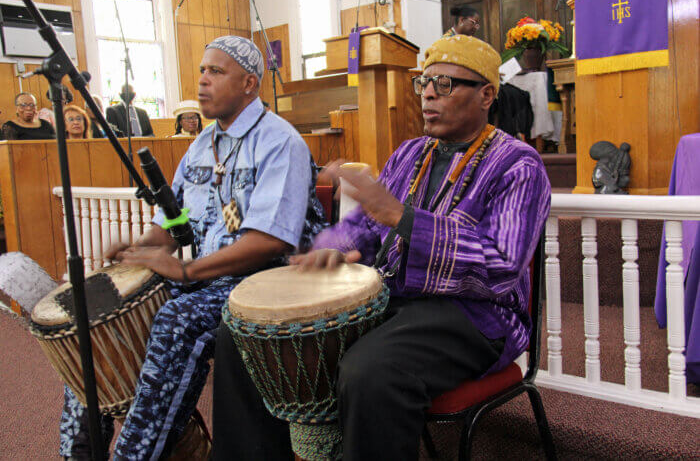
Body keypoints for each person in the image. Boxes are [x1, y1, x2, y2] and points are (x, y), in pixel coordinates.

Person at [211, 35, 552, 460]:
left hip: (479, 317)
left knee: (371, 372)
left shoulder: (520, 165)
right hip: (396, 300)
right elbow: (362, 228)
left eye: (444, 85)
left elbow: (500, 267)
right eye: (424, 83)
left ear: (486, 94)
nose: (427, 93)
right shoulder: (411, 153)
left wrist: (404, 219)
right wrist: (333, 249)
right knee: (245, 336)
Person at [58, 36, 327, 460]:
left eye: (216, 72)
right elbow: (177, 218)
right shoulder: (202, 144)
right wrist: (140, 248)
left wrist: (184, 272)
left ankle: (136, 454)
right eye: (202, 70)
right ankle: (78, 451)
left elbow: (269, 241)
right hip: (210, 278)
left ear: (249, 84)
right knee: (97, 312)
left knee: (176, 317)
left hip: (272, 280)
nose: (202, 81)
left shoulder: (281, 142)